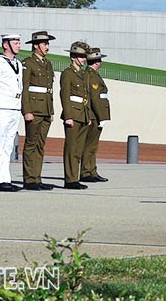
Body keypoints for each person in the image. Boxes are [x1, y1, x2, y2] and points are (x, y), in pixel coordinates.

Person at [21, 31, 57, 191]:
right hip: (34, 109)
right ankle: (29, 179)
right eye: (44, 44)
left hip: (45, 109)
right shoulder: (28, 63)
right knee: (31, 144)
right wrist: (26, 110)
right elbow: (25, 88)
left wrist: (51, 110)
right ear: (36, 45)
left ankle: (37, 177)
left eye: (48, 43)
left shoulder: (48, 64)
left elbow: (49, 90)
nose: (47, 47)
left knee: (40, 145)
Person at [0, 34, 24, 192]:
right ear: (6, 44)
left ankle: (5, 178)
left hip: (14, 107)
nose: (18, 45)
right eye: (15, 43)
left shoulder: (17, 63)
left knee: (8, 146)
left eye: (18, 42)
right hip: (2, 107)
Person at [60, 41, 93, 190]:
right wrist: (68, 116)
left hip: (83, 114)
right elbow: (65, 95)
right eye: (80, 56)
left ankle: (75, 177)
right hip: (73, 113)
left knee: (78, 149)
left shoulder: (83, 74)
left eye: (84, 56)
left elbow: (87, 95)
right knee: (71, 148)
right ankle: (70, 179)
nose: (83, 59)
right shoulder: (68, 73)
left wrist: (89, 115)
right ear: (73, 57)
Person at [81, 48, 110, 183]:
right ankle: (87, 171)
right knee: (90, 146)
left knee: (93, 146)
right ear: (97, 62)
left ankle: (92, 170)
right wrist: (101, 117)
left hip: (95, 115)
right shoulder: (91, 75)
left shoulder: (92, 74)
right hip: (94, 115)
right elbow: (96, 97)